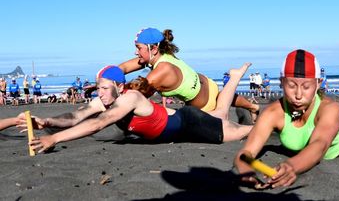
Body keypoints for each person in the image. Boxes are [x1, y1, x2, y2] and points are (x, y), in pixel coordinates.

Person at [234, 49, 339, 189]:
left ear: (318, 83)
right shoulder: (272, 113)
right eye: (291, 86)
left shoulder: (331, 108)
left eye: (306, 87)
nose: (298, 95)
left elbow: (319, 145)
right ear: (281, 82)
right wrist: (244, 169)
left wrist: (292, 166)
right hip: (334, 124)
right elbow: (246, 152)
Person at [27, 64, 254, 153]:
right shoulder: (103, 101)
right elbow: (76, 116)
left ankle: (235, 80)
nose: (101, 93)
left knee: (245, 132)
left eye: (105, 88)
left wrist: (53, 139)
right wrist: (47, 122)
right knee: (221, 115)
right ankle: (233, 79)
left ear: (119, 86)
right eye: (98, 88)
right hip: (178, 126)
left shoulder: (130, 98)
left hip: (189, 123)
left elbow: (97, 124)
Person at [118, 28, 259, 120]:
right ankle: (253, 107)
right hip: (208, 83)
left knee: (219, 110)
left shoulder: (160, 72)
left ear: (153, 49)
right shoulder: (164, 54)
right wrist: (106, 78)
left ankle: (248, 115)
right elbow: (122, 68)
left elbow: (134, 96)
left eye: (138, 48)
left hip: (205, 108)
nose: (136, 52)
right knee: (221, 96)